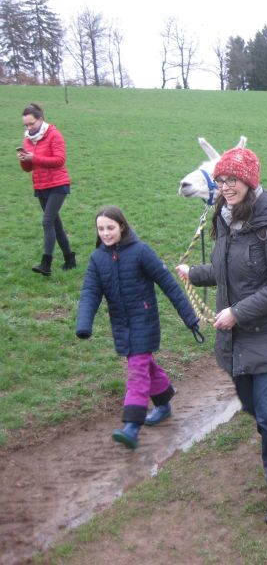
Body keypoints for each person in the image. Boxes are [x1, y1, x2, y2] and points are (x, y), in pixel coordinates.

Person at [177, 148, 267, 525]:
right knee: (257, 410)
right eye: (221, 180)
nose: (225, 187)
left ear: (249, 181)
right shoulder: (227, 219)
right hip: (239, 342)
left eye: (232, 180)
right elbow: (226, 271)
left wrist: (237, 313)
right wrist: (194, 273)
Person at [76, 206, 201, 449]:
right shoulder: (97, 258)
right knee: (145, 366)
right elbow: (90, 292)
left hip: (144, 322)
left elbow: (168, 284)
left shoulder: (141, 251)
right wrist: (84, 324)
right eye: (100, 229)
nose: (105, 233)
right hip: (122, 325)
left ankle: (132, 426)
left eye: (110, 228)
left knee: (137, 371)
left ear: (122, 226)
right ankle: (164, 403)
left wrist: (190, 317)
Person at [17, 103, 76, 275]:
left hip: (58, 184)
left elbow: (59, 160)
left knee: (47, 222)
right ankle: (69, 258)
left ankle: (46, 264)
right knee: (55, 224)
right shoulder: (27, 139)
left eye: (31, 123)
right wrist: (24, 159)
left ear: (41, 119)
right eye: (26, 125)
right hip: (40, 185)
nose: (29, 127)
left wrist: (34, 157)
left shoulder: (54, 134)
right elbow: (28, 168)